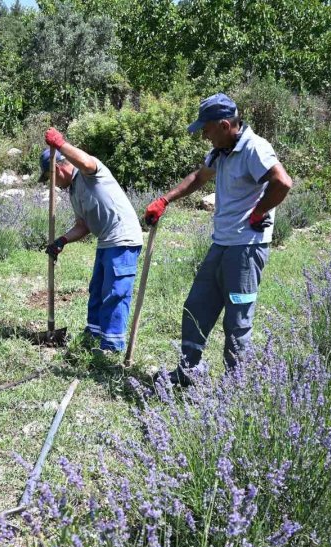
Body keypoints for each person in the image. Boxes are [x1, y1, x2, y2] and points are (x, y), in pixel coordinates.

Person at [144, 93, 293, 383]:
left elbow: (282, 182)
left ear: (225, 125)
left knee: (237, 320)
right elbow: (200, 177)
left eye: (207, 128)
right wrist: (166, 199)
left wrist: (259, 211)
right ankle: (187, 371)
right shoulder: (221, 151)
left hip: (246, 250)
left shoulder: (254, 148)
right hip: (222, 243)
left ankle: (233, 386)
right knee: (197, 306)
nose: (204, 135)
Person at [41, 127, 143, 352]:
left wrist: (60, 144)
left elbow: (86, 162)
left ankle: (112, 345)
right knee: (97, 290)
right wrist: (62, 241)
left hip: (123, 238)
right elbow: (83, 226)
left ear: (58, 168)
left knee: (115, 292)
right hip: (106, 241)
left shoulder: (89, 172)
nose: (53, 184)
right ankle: (93, 336)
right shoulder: (73, 191)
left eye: (50, 178)